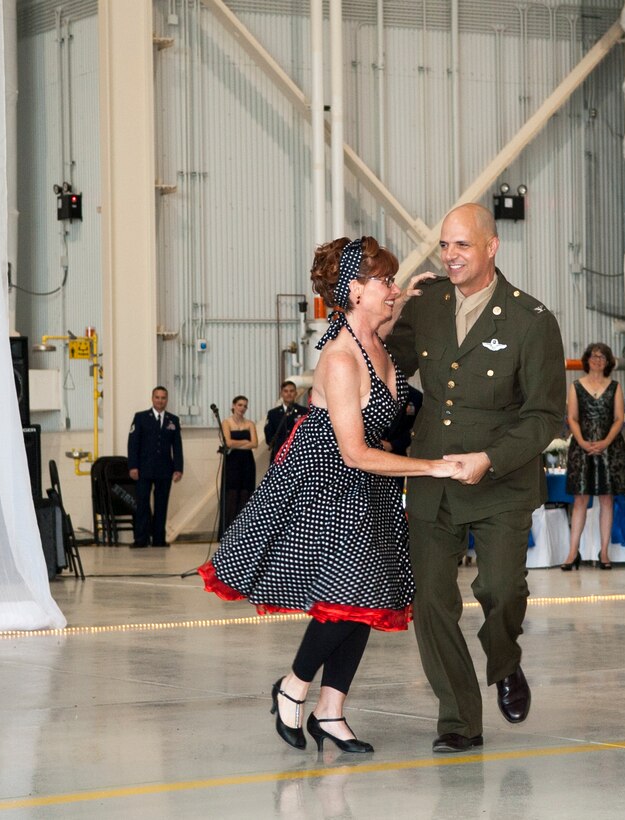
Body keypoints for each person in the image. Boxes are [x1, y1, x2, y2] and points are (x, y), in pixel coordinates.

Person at [199, 237, 460, 754]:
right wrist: (434, 467)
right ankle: (293, 688)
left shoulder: (375, 337)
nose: (390, 288)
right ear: (355, 291)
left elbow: (384, 318)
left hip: (370, 490)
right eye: (383, 280)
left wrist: (406, 294)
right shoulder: (342, 359)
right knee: (348, 595)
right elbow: (356, 452)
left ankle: (330, 710)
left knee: (367, 598)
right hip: (328, 482)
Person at [386, 202, 566, 754]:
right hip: (434, 475)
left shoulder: (531, 321)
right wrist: (389, 311)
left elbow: (546, 417)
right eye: (444, 245)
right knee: (432, 601)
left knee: (501, 589)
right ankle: (459, 719)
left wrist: (489, 458)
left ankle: (505, 659)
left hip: (500, 482)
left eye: (461, 245)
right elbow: (387, 361)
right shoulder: (429, 304)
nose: (450, 255)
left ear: (492, 246)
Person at [560, 343, 625, 571]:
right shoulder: (575, 386)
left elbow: (619, 418)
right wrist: (582, 441)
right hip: (582, 448)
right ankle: (572, 553)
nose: (598, 359)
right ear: (586, 359)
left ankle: (604, 552)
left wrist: (605, 442)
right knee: (580, 500)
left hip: (609, 449)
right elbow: (571, 417)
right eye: (594, 356)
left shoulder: (615, 386)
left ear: (609, 362)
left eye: (603, 356)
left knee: (606, 500)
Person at [127, 386, 183, 547]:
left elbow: (177, 446)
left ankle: (159, 539)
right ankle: (141, 539)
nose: (160, 400)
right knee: (142, 504)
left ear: (167, 399)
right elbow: (133, 444)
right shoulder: (141, 417)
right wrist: (133, 466)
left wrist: (178, 468)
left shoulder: (173, 420)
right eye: (157, 397)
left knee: (161, 505)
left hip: (165, 470)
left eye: (163, 398)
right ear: (152, 399)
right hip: (143, 469)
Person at [221, 395, 258, 535]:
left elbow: (254, 444)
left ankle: (243, 531)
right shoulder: (226, 422)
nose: (242, 408)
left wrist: (238, 443)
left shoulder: (250, 424)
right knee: (232, 495)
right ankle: (230, 530)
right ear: (234, 406)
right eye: (240, 405)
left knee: (245, 494)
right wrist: (245, 442)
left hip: (247, 462)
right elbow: (228, 443)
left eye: (245, 406)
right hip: (232, 462)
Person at [380, 385, 423, 490]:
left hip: (397, 456)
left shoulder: (416, 396)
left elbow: (417, 429)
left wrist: (393, 445)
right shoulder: (370, 390)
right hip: (368, 453)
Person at [264, 381, 308, 458]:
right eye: (286, 391)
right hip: (278, 454)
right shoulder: (273, 413)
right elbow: (269, 435)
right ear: (281, 394)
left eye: (291, 391)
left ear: (296, 393)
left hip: (298, 455)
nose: (289, 394)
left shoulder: (304, 412)